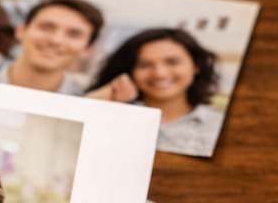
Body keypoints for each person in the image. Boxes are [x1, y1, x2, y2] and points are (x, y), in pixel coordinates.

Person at [86, 28, 225, 156]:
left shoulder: (219, 125)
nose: (159, 74)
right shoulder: (109, 118)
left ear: (197, 65)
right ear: (129, 71)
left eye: (172, 62)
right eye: (144, 65)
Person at [0, 0, 104, 96]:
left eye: (74, 35)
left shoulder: (89, 102)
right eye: (46, 27)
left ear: (88, 49)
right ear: (21, 31)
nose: (55, 40)